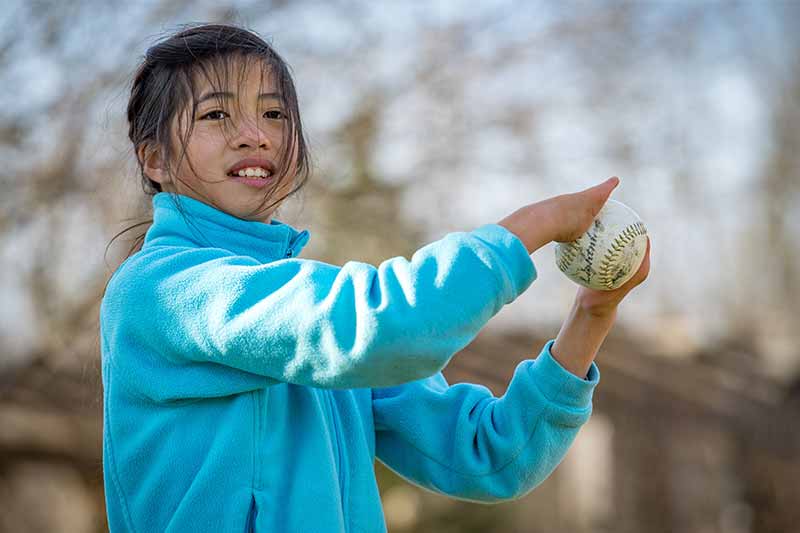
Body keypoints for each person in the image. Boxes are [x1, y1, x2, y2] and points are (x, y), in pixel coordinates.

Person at [100, 22, 650, 533]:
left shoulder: (315, 314)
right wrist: (533, 227)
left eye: (274, 114)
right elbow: (386, 325)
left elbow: (489, 455)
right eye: (216, 115)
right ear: (154, 159)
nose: (254, 135)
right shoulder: (163, 290)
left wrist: (591, 315)